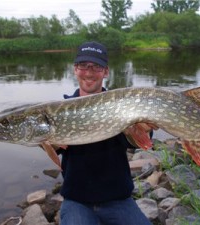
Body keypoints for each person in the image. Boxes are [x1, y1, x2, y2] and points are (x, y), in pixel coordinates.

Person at [58, 41, 154, 225]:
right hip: (77, 202)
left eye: (96, 67)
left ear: (106, 71)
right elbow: (50, 146)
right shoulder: (62, 110)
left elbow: (135, 144)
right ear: (75, 69)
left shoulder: (123, 104)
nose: (89, 72)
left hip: (118, 200)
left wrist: (145, 129)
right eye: (83, 66)